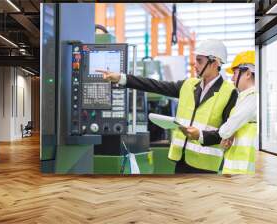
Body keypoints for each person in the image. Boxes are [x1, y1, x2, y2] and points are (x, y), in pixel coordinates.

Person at [97, 39, 238, 174]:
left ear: (214, 63)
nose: (195, 65)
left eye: (199, 61)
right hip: (181, 161)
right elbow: (155, 85)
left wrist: (199, 135)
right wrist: (121, 78)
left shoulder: (229, 93)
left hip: (206, 166)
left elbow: (227, 132)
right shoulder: (188, 85)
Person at [206, 50, 257, 174]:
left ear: (248, 73)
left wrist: (226, 132)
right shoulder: (245, 97)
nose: (232, 78)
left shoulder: (253, 97)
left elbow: (229, 127)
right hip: (238, 166)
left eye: (235, 73)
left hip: (244, 170)